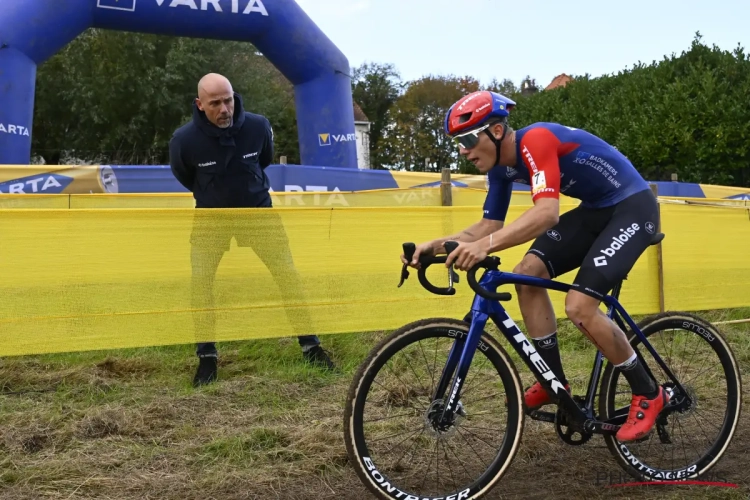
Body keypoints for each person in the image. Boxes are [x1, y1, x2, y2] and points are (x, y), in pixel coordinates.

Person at [402, 90, 667, 442]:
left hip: (633, 208)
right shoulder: (501, 169)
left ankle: (649, 392)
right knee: (527, 276)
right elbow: (486, 227)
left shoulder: (536, 139)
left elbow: (547, 213)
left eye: (467, 139)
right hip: (596, 211)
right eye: (457, 143)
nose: (463, 151)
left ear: (496, 131)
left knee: (580, 307)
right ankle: (554, 379)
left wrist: (482, 247)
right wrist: (432, 246)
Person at [169, 73, 336, 387]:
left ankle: (311, 346)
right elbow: (185, 175)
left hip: (259, 212)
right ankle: (207, 358)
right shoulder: (183, 140)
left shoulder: (258, 126)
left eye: (228, 100)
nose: (224, 109)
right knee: (201, 285)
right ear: (200, 105)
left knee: (288, 275)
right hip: (210, 218)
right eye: (215, 103)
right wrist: (212, 193)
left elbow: (265, 159)